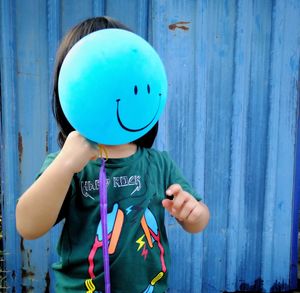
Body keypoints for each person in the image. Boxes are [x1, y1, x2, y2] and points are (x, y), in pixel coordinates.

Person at [16, 16, 210, 293]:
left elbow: (198, 220)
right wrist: (64, 166)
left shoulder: (159, 164)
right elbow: (28, 226)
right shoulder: (69, 165)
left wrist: (193, 213)